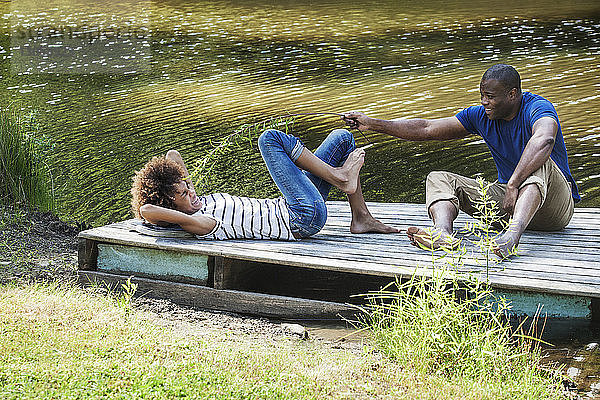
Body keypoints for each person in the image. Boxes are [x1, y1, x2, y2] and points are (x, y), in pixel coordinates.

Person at [342, 64, 579, 258]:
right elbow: (426, 128)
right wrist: (374, 123)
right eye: (482, 96)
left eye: (490, 97)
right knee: (438, 178)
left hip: (554, 208)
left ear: (513, 95)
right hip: (510, 203)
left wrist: (513, 183)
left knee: (540, 161)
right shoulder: (480, 116)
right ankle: (442, 234)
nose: (484, 102)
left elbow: (545, 139)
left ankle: (512, 236)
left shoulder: (537, 107)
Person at [131, 128, 399, 240]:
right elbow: (148, 212)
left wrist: (172, 182)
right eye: (182, 193)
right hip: (302, 217)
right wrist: (162, 207)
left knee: (342, 138)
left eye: (187, 185)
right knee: (269, 139)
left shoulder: (195, 202)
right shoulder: (202, 224)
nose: (190, 190)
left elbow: (173, 158)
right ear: (172, 209)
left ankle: (361, 218)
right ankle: (341, 178)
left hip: (295, 205)